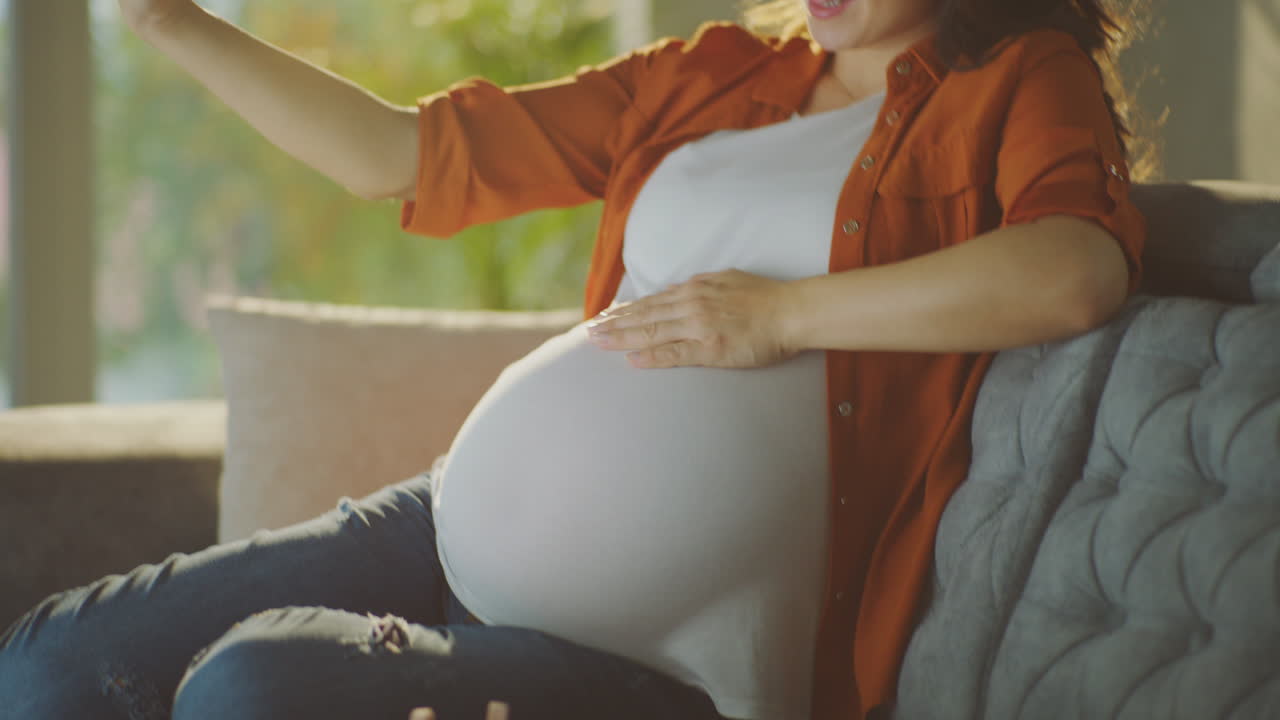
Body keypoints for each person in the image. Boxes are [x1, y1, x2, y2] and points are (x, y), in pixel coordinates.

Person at [0, 0, 1148, 718]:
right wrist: (163, 19)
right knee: (46, 671)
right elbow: (399, 157)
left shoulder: (1015, 78)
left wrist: (784, 316)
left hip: (674, 661)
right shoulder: (712, 73)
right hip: (440, 525)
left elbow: (1072, 268)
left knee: (251, 692)